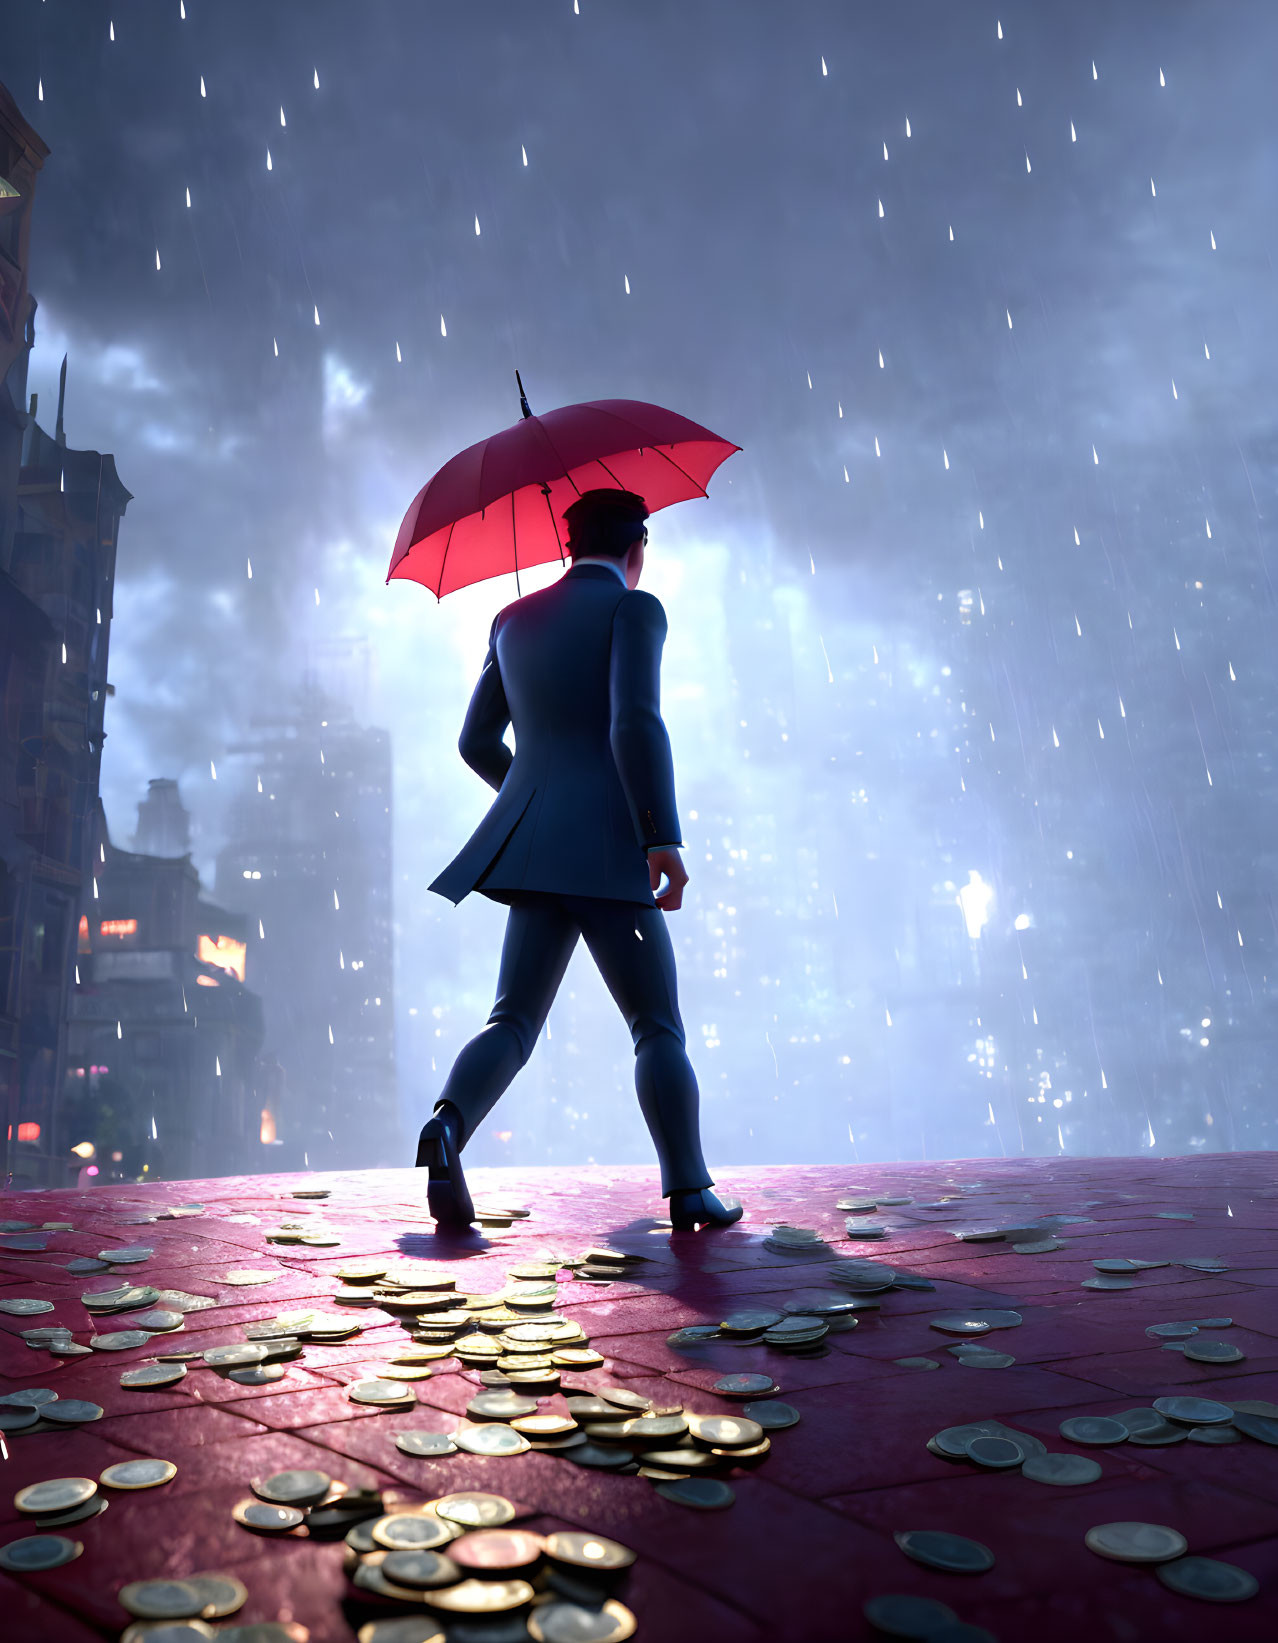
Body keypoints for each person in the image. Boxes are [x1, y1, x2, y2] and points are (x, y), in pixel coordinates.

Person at [417, 487, 742, 1232]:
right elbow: (635, 721)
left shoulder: (511, 618)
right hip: (605, 846)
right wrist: (660, 833)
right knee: (656, 1025)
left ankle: (447, 1124)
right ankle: (688, 1188)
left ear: (569, 545)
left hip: (532, 848)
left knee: (513, 1021)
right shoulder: (636, 608)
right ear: (638, 547)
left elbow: (475, 743)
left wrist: (535, 798)